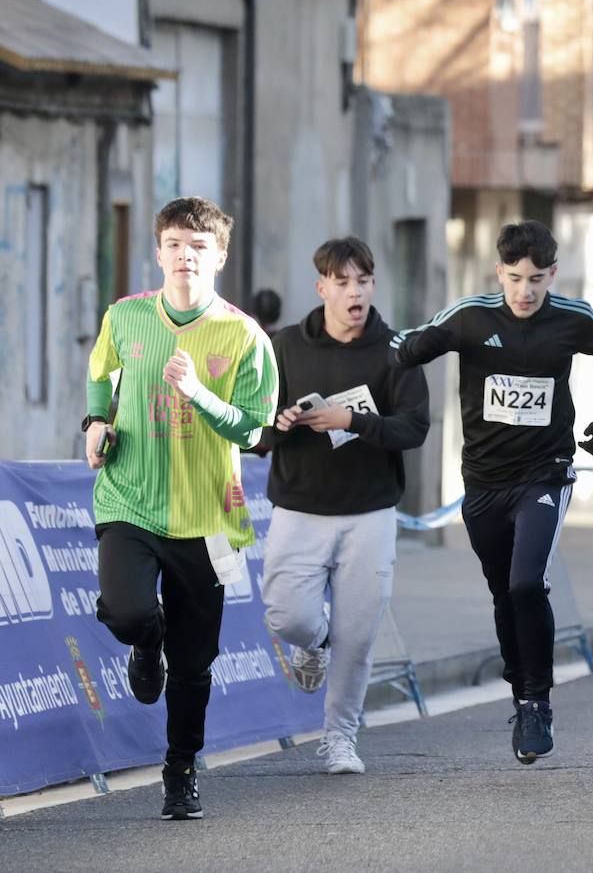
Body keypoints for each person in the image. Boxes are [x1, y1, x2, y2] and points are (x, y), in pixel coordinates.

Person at [392, 220, 593, 765]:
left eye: (538, 280)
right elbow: (407, 349)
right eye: (516, 278)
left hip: (544, 473)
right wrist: (402, 351)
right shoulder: (471, 316)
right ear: (499, 271)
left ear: (552, 275)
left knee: (527, 583)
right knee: (503, 593)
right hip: (483, 481)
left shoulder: (573, 319)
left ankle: (537, 702)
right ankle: (519, 693)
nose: (526, 292)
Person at [84, 196, 278, 820]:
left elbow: (254, 430)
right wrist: (94, 421)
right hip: (129, 496)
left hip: (207, 515)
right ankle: (147, 639)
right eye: (174, 244)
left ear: (219, 257)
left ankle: (181, 769)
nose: (184, 256)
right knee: (127, 610)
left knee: (195, 666)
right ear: (158, 251)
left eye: (198, 247)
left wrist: (196, 393)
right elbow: (99, 374)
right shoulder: (126, 317)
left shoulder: (243, 335)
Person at [259, 237, 430, 774]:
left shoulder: (398, 348)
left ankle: (339, 739)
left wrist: (352, 421)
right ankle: (313, 643)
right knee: (287, 617)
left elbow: (415, 427)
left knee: (357, 637)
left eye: (363, 281)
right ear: (322, 288)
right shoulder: (287, 346)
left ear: (373, 286)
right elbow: (254, 432)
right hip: (299, 508)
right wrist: (280, 425)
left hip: (370, 513)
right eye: (343, 282)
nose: (355, 292)